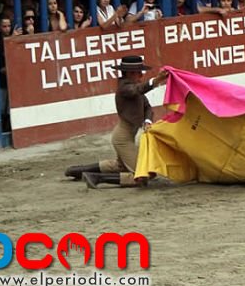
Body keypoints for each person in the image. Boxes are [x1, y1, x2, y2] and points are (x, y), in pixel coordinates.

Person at [65, 55, 168, 188]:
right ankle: (96, 177)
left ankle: (76, 171)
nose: (141, 75)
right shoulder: (125, 87)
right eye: (139, 72)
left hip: (126, 136)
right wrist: (156, 80)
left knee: (120, 166)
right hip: (123, 138)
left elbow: (147, 107)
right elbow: (139, 90)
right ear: (130, 73)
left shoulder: (132, 86)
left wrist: (147, 120)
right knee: (142, 176)